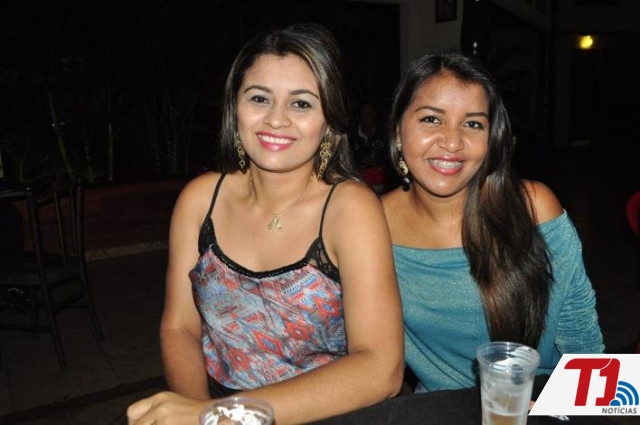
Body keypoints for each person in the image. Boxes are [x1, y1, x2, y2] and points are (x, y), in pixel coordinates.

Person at [127, 23, 403, 425]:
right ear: (235, 108)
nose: (276, 119)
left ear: (329, 121)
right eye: (259, 98)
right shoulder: (200, 200)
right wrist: (201, 414)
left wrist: (223, 415)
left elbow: (381, 368)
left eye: (301, 104)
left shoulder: (350, 209)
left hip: (320, 411)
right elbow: (180, 327)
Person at [381, 52, 604, 393]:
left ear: (491, 139)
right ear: (398, 132)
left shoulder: (533, 209)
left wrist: (567, 406)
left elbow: (583, 341)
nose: (452, 142)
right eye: (431, 119)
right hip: (438, 409)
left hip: (544, 399)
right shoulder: (373, 223)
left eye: (473, 124)